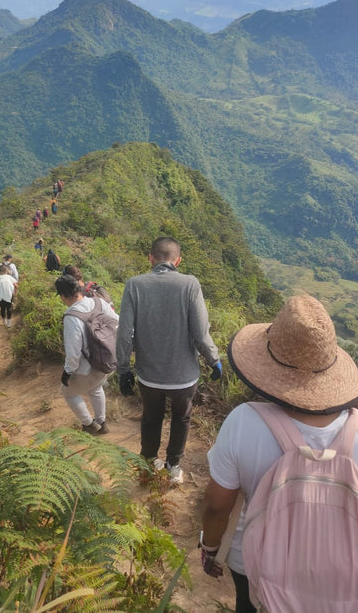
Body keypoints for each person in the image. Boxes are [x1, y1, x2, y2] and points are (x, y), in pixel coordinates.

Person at [200, 294, 358, 613]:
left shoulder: (244, 421)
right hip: (341, 571)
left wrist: (211, 547)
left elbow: (218, 507)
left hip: (255, 560)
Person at [116, 236, 221, 484]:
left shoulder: (135, 284)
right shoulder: (189, 284)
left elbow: (124, 333)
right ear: (178, 260)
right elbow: (200, 332)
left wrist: (123, 369)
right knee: (181, 418)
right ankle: (173, 465)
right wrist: (212, 359)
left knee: (151, 417)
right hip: (183, 377)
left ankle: (149, 462)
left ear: (151, 258)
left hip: (148, 375)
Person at [55, 274, 119, 434]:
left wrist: (68, 372)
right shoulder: (99, 302)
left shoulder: (72, 317)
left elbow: (73, 353)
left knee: (68, 392)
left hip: (88, 368)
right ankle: (102, 422)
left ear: (63, 296)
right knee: (96, 388)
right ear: (79, 289)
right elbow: (118, 322)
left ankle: (89, 424)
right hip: (108, 362)